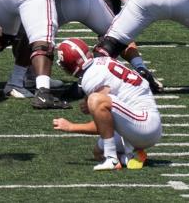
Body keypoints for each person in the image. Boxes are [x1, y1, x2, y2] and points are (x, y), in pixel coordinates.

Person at [52, 39, 162, 171]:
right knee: (98, 153)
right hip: (141, 122)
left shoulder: (90, 78)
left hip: (144, 125)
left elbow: (102, 124)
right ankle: (129, 157)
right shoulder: (102, 61)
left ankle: (112, 159)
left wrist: (71, 127)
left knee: (96, 101)